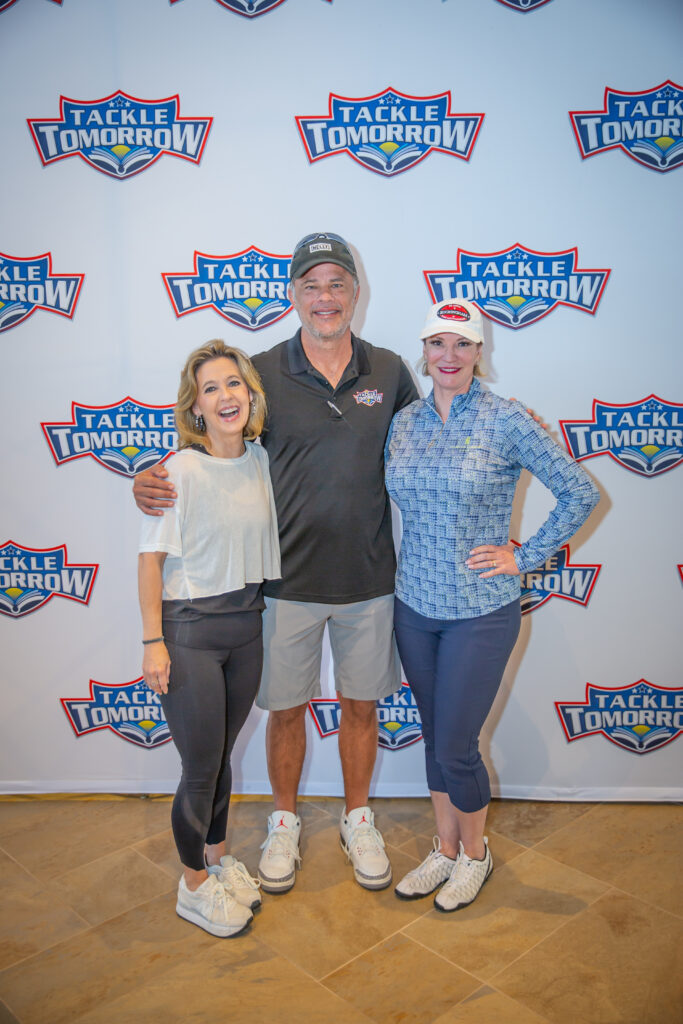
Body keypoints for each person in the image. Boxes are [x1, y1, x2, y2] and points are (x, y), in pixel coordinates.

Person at [134, 233, 419, 893]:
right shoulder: (260, 370)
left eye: (337, 284)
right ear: (293, 295)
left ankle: (357, 818)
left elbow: (426, 444)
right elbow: (217, 444)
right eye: (311, 285)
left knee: (360, 708)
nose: (325, 297)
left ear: (356, 292)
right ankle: (284, 822)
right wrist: (148, 481)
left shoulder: (390, 370)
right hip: (284, 586)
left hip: (369, 580)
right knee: (286, 711)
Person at [384, 298, 599, 912]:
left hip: (480, 610)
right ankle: (445, 849)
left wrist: (525, 555)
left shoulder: (507, 419)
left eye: (462, 343)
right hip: (413, 606)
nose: (448, 355)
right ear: (424, 351)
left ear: (479, 352)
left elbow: (579, 491)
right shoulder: (404, 422)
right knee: (434, 738)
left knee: (457, 745)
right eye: (437, 343)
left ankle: (476, 856)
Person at [138, 340, 281, 936]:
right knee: (200, 767)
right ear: (195, 406)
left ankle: (217, 862)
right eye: (211, 388)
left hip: (246, 628)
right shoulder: (177, 471)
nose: (226, 396)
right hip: (190, 632)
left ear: (251, 394)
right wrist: (153, 641)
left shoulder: (262, 460)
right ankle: (192, 885)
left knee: (220, 757)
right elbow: (150, 561)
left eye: (234, 383)